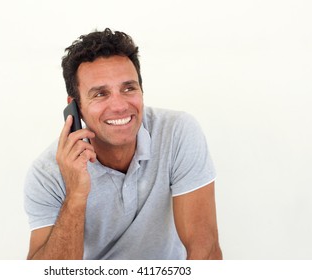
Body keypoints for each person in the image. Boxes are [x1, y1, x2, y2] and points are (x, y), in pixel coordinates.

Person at [24, 28, 222, 260]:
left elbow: (205, 251)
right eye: (100, 94)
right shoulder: (47, 173)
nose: (119, 106)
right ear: (75, 107)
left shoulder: (177, 132)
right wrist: (76, 195)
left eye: (129, 88)